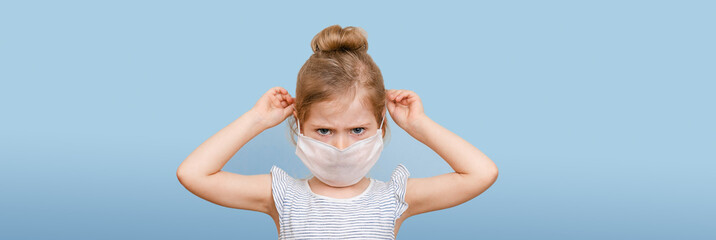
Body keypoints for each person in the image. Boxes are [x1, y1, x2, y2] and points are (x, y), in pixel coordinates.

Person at [176, 24, 499, 239]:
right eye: (324, 130)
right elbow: (193, 174)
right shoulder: (283, 196)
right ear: (298, 124)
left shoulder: (393, 198)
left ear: (381, 126)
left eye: (358, 129)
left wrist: (419, 125)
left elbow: (482, 173)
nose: (342, 146)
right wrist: (256, 120)